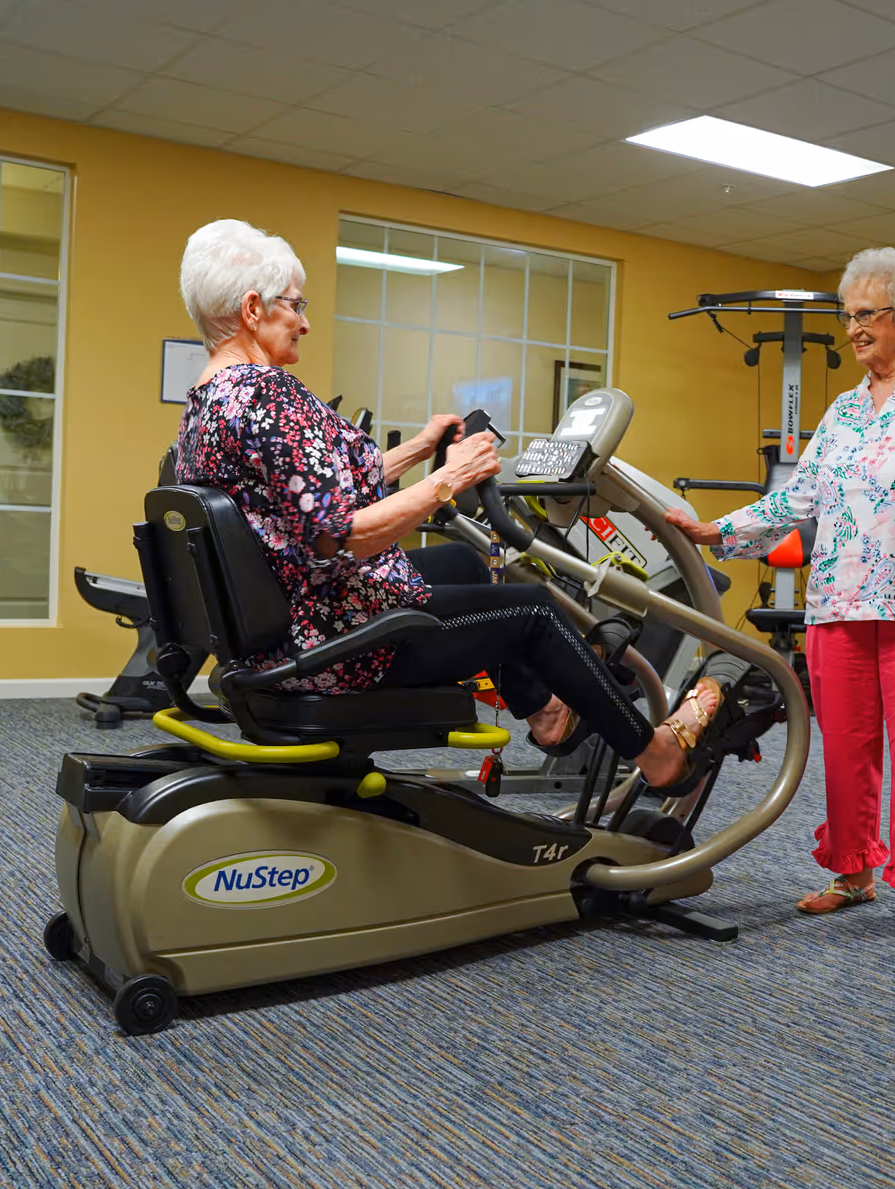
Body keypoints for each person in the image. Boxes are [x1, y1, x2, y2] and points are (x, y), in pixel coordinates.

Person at [170, 219, 719, 790]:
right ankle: (655, 755)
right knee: (533, 610)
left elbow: (308, 493)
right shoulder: (267, 397)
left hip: (288, 622)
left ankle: (547, 712)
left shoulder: (210, 401)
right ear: (254, 309)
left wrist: (418, 449)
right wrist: (448, 481)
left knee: (462, 565)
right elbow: (339, 534)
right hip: (330, 641)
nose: (305, 321)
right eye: (295, 304)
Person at [665, 247, 895, 944]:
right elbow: (802, 495)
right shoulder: (845, 410)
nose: (852, 330)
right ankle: (853, 872)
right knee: (847, 748)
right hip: (839, 601)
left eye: (866, 316)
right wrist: (717, 530)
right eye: (847, 316)